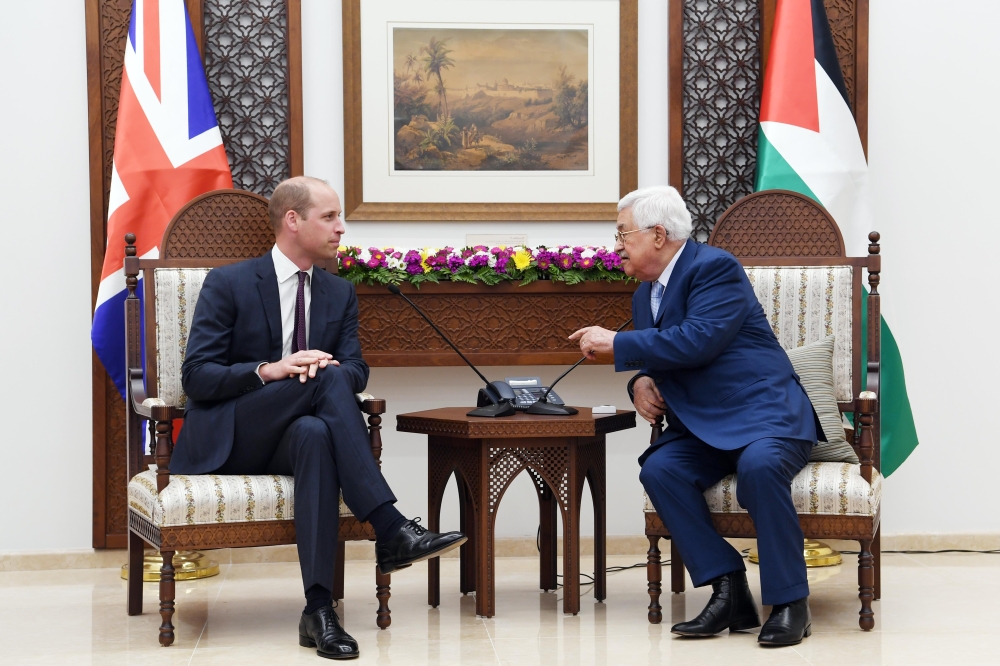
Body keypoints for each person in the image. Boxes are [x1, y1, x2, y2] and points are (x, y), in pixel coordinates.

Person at [171, 176, 466, 660]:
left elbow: (356, 368)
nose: (341, 228)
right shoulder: (229, 283)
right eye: (329, 217)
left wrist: (324, 367)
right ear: (293, 220)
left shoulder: (338, 293)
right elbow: (197, 377)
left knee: (314, 429)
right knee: (324, 379)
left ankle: (318, 610)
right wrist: (272, 370)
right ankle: (389, 527)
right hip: (235, 434)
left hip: (293, 434)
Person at [569, 186, 821, 647]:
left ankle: (790, 603)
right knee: (662, 471)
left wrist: (617, 346)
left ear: (658, 235)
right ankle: (729, 590)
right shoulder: (644, 294)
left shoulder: (714, 267)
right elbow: (661, 356)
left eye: (623, 233)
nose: (617, 244)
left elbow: (697, 340)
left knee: (760, 468)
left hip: (764, 414)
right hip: (704, 425)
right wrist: (640, 379)